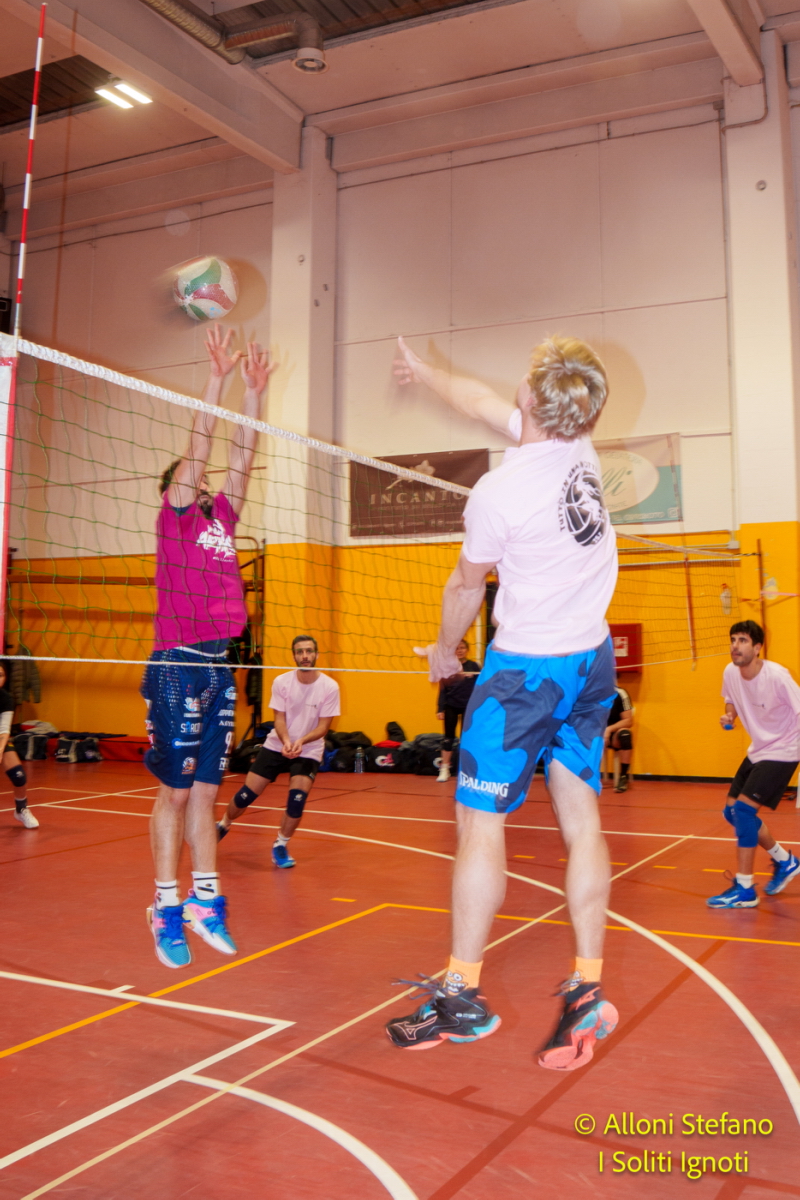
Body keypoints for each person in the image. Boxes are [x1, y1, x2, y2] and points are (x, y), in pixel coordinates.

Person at [386, 335, 619, 1070]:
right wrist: (426, 370)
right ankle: (587, 987)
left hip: (525, 674)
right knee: (581, 817)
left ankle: (461, 994)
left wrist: (444, 650)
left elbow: (465, 585)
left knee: (478, 822)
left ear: (534, 398)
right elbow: (480, 402)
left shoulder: (500, 491)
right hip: (591, 660)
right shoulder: (580, 447)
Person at [142, 325, 274, 968]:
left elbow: (241, 459)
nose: (200, 483)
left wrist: (253, 394)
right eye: (190, 481)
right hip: (176, 666)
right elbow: (200, 446)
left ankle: (203, 899)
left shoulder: (221, 518)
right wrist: (216, 380)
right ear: (176, 489)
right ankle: (164, 906)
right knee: (173, 792)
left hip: (218, 667)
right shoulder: (173, 518)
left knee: (204, 793)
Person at [217, 635, 340, 868]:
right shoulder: (282, 682)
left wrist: (300, 741)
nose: (305, 656)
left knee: (296, 800)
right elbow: (279, 719)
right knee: (246, 796)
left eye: (309, 651)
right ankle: (223, 824)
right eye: (300, 652)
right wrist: (286, 741)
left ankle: (280, 845)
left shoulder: (329, 687)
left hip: (309, 748)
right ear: (294, 656)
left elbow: (323, 727)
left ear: (316, 654)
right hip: (277, 744)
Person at [707, 620, 800, 908]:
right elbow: (731, 699)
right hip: (759, 748)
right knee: (731, 812)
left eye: (743, 640)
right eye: (733, 639)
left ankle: (745, 889)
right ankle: (785, 861)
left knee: (744, 811)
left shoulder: (777, 677)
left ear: (757, 647)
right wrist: (730, 715)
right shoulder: (730, 672)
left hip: (785, 749)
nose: (736, 645)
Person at [436, 638, 481, 782]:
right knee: (448, 738)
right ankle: (444, 769)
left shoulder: (473, 665)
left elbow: (482, 686)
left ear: (467, 650)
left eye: (462, 648)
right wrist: (440, 708)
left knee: (466, 739)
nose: (460, 650)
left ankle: (465, 771)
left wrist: (473, 677)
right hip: (451, 705)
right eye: (457, 648)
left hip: (468, 706)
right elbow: (442, 689)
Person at [0, 663, 38, 828]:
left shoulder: (6, 699)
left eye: (1, 675)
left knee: (18, 775)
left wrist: (0, 751)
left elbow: (4, 730)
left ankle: (21, 809)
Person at [605, 684, 633, 793]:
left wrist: (609, 729)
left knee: (625, 734)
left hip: (614, 734)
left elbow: (628, 721)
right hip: (596, 734)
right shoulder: (590, 692)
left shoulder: (620, 693)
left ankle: (623, 777)